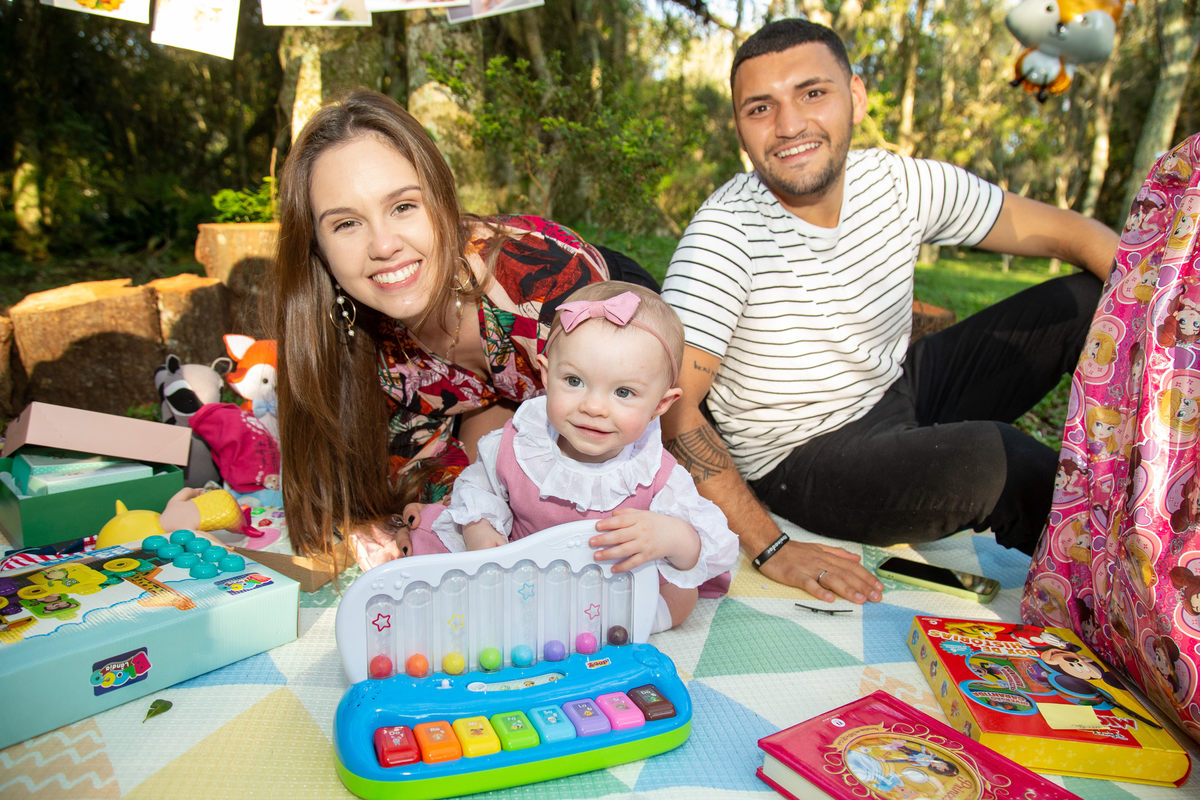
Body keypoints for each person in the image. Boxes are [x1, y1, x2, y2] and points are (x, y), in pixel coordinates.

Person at [659, 19, 1120, 605]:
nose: (789, 125)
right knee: (1005, 460)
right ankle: (1136, 593)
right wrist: (772, 546)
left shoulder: (899, 182)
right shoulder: (723, 235)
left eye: (812, 93)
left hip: (897, 389)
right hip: (804, 459)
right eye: (760, 108)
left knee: (1084, 300)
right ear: (740, 128)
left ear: (855, 95)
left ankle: (1160, 466)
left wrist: (1174, 309)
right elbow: (675, 410)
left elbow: (1069, 233)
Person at [271, 90, 651, 566]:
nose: (384, 245)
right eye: (347, 223)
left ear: (443, 200)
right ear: (318, 249)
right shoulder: (360, 336)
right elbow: (412, 484)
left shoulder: (544, 281)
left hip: (612, 311)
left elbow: (627, 458)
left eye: (403, 206)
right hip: (503, 397)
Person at [406, 281, 739, 631]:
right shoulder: (518, 445)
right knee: (441, 540)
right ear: (547, 375)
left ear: (660, 404)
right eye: (575, 381)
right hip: (521, 579)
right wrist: (481, 529)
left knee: (680, 592)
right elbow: (477, 488)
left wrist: (672, 536)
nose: (593, 407)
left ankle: (611, 629)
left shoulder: (656, 476)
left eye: (623, 392)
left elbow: (710, 549)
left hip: (611, 589)